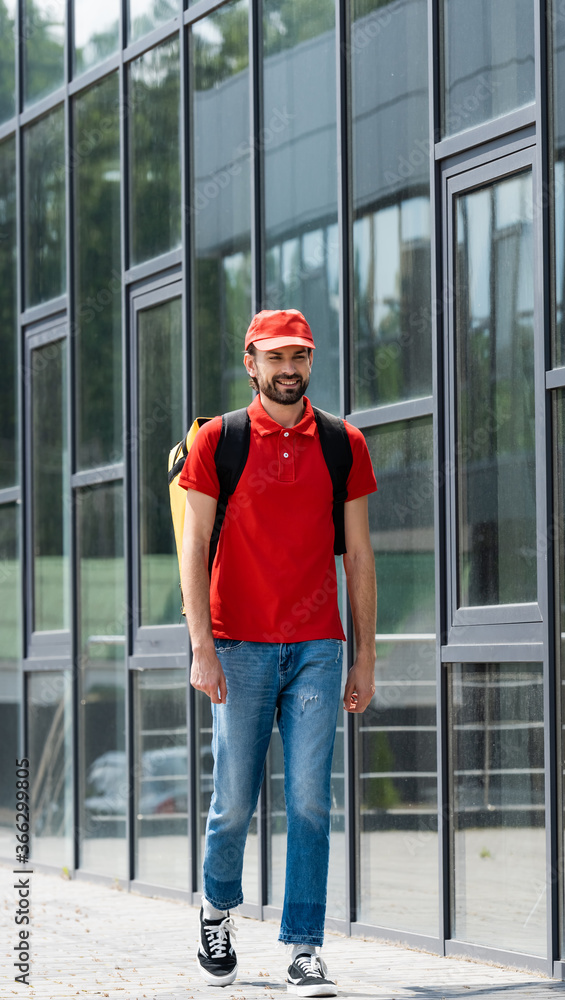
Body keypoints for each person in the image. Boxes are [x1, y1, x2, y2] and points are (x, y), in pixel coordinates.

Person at [179, 309, 377, 996]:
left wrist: (365, 656)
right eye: (275, 357)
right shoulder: (219, 442)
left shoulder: (342, 443)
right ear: (251, 364)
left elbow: (357, 555)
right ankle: (216, 910)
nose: (288, 369)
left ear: (310, 362)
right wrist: (201, 646)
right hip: (237, 645)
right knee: (233, 800)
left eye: (299, 356)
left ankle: (303, 947)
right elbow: (193, 546)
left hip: (318, 648)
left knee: (310, 801)